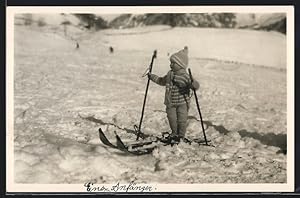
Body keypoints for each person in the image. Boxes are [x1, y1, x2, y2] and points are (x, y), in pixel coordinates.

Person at [148, 47, 199, 142]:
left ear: (180, 65)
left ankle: (180, 136)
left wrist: (193, 84)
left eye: (173, 63)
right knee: (172, 119)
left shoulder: (186, 76)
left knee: (181, 120)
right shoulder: (170, 74)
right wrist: (152, 77)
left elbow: (195, 86)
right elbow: (161, 81)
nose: (171, 65)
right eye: (170, 62)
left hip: (183, 103)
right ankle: (174, 133)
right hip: (170, 102)